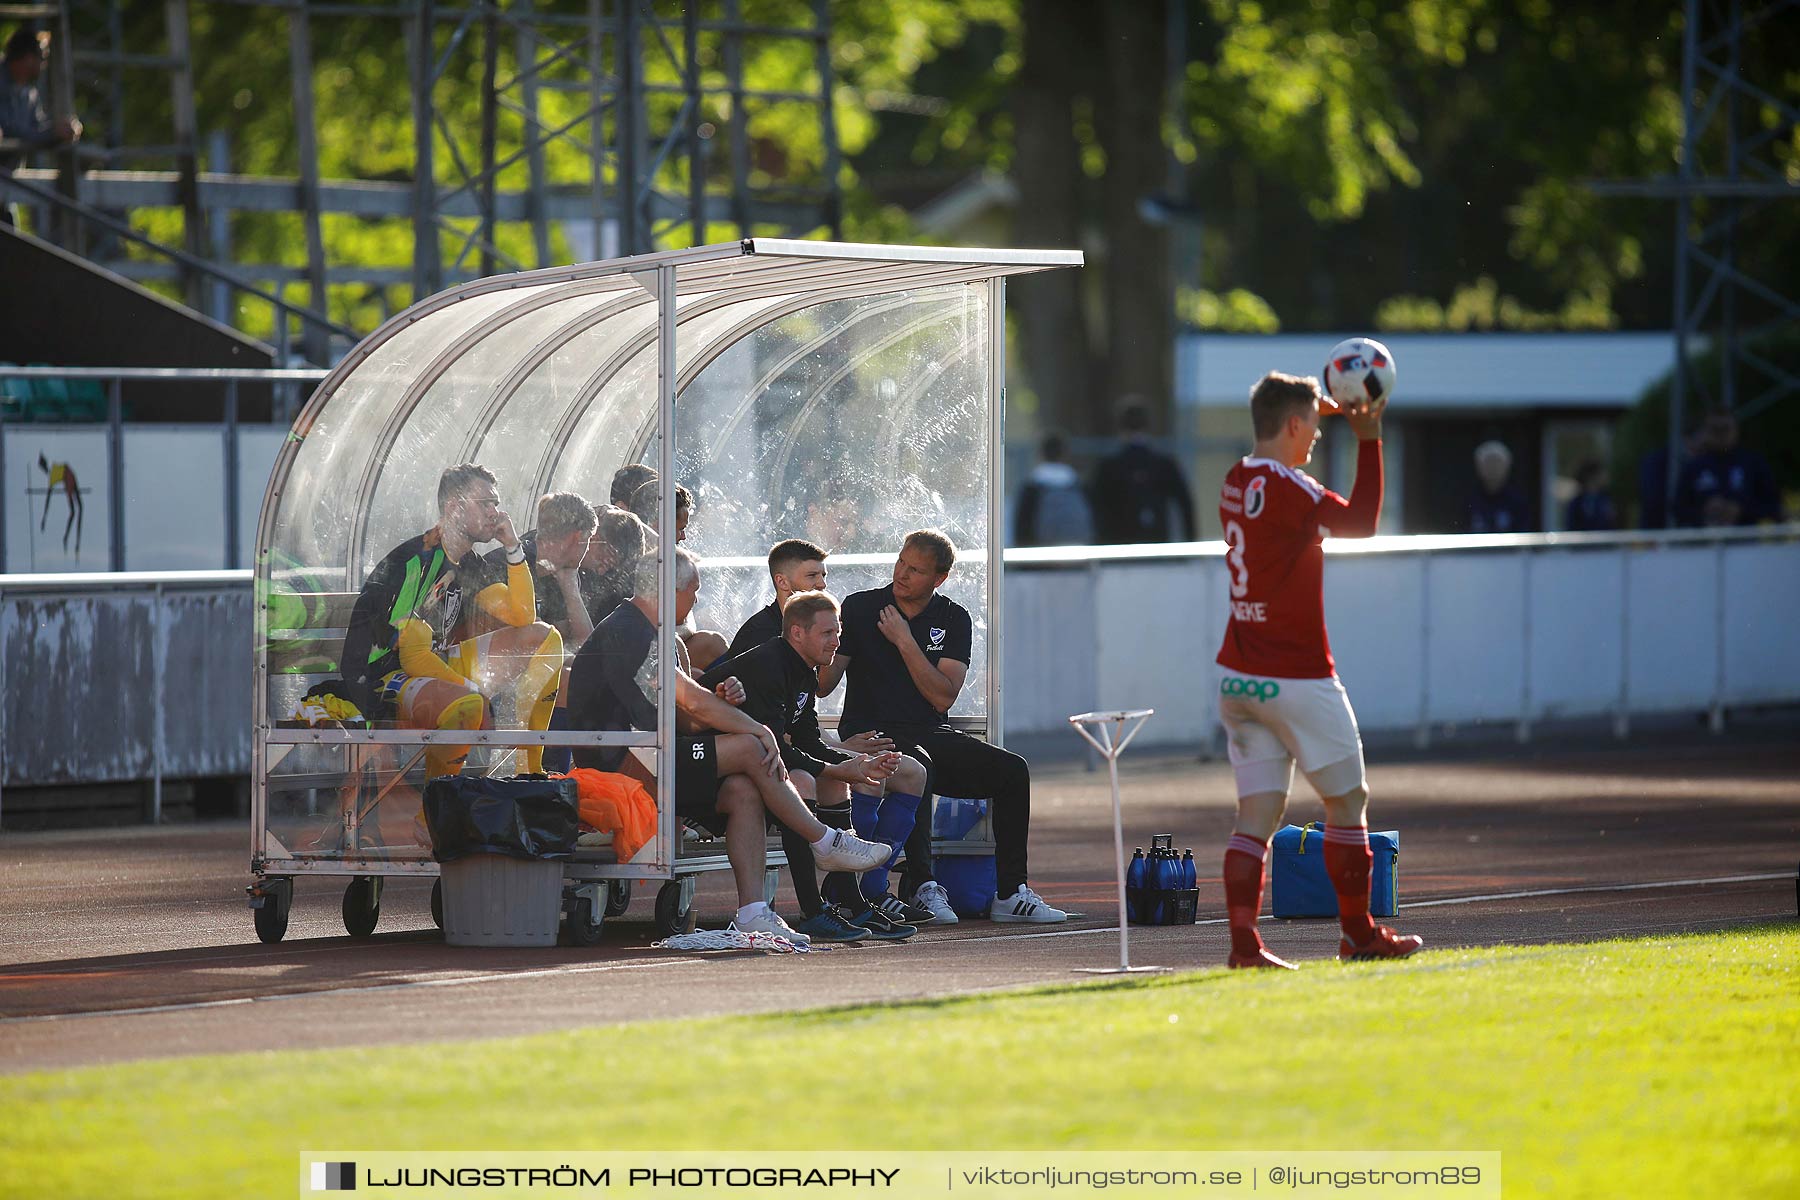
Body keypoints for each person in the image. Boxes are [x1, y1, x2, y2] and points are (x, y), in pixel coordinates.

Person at [565, 546, 892, 941]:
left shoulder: (655, 632)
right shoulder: (629, 629)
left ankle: (754, 911)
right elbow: (688, 697)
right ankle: (824, 841)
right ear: (670, 588)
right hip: (619, 761)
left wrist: (722, 699)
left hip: (654, 753)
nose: (696, 599)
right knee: (751, 748)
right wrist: (755, 728)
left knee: (742, 790)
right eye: (694, 590)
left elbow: (685, 714)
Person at [1213, 370, 1421, 969]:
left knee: (1256, 815)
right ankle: (1359, 934)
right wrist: (1370, 434)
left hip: (1238, 675)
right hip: (1296, 673)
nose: (1316, 443)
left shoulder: (1236, 477)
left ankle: (1244, 945)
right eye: (1312, 430)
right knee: (1349, 800)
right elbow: (1361, 521)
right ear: (1297, 424)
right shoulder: (1292, 488)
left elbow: (1279, 458)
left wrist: (1314, 410)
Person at [820, 529, 1067, 924]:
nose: (901, 574)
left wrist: (905, 641)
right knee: (918, 764)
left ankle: (1010, 892)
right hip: (873, 734)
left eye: (915, 570)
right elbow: (823, 683)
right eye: (901, 562)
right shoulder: (862, 608)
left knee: (1013, 770)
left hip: (930, 730)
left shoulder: (953, 618)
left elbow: (943, 697)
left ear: (939, 578)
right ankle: (922, 885)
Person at [704, 591, 930, 942]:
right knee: (802, 780)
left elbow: (808, 740)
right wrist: (845, 768)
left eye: (838, 632)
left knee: (829, 782)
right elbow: (774, 749)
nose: (837, 641)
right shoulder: (769, 664)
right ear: (797, 633)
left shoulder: (804, 668)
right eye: (828, 634)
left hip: (747, 764)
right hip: (701, 770)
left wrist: (857, 763)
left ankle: (850, 901)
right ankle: (813, 910)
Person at [341, 464, 565, 778]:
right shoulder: (417, 560)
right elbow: (412, 656)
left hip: (435, 664)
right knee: (469, 705)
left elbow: (522, 615)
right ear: (454, 508)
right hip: (383, 678)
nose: (495, 513)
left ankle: (529, 772)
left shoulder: (470, 563)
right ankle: (433, 812)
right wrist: (474, 690)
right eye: (485, 504)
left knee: (545, 638)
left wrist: (513, 548)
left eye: (496, 504)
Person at [1091, 398, 1195, 544]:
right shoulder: (1163, 464)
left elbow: (1096, 507)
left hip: (1119, 545)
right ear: (1148, 425)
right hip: (1156, 542)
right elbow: (1185, 504)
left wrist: (1099, 541)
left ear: (1120, 427)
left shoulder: (1110, 466)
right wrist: (1190, 541)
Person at [1672, 409, 1782, 527]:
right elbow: (1677, 508)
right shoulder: (1693, 467)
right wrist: (1704, 511)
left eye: (1725, 429)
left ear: (1736, 430)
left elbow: (1773, 504)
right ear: (1705, 431)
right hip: (1704, 540)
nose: (1721, 435)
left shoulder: (1753, 464)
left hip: (1747, 540)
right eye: (1715, 430)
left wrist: (1741, 510)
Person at [726, 538, 830, 660]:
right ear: (782, 582)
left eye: (823, 576)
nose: (822, 584)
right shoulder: (760, 635)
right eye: (812, 576)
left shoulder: (823, 627)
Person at [0, 27, 79, 175]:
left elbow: (36, 128)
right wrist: (52, 134)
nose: (44, 64)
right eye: (42, 57)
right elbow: (11, 130)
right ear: (28, 58)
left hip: (9, 178)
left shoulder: (30, 93)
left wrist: (61, 130)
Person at [1014, 431, 1095, 547]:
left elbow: (1022, 531)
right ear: (1065, 454)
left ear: (1041, 454)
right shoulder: (1079, 486)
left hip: (1042, 559)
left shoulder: (1032, 489)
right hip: (1077, 556)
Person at [1464, 440, 1533, 534]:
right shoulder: (1469, 499)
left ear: (1507, 466)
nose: (1493, 468)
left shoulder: (1518, 501)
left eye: (1497, 463)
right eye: (1488, 463)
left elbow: (1523, 535)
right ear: (1479, 467)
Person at [1564, 460, 1617, 532]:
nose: (1605, 476)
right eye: (1601, 473)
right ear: (1591, 476)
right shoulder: (1576, 503)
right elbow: (1571, 527)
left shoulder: (1606, 500)